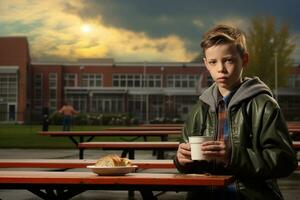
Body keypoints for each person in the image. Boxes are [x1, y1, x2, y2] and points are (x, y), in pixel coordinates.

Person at [174, 24, 297, 200]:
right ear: (206, 64)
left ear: (244, 60)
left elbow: (285, 161)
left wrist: (233, 155)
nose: (221, 69)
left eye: (229, 60)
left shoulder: (264, 105)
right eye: (213, 62)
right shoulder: (200, 108)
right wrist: (181, 160)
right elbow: (187, 157)